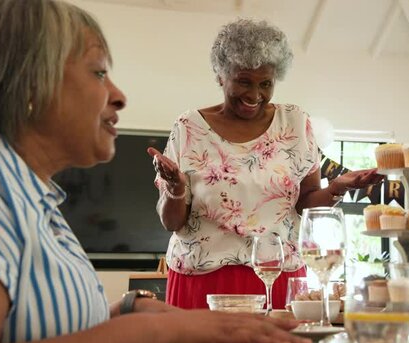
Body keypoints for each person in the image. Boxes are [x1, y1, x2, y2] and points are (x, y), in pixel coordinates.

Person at [0, 1, 313, 343]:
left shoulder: (26, 195)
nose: (119, 95)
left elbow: (31, 328)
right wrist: (156, 334)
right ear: (30, 83)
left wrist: (128, 311)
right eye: (99, 73)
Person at [148, 18, 383, 309]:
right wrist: (176, 188)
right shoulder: (188, 128)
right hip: (203, 280)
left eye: (266, 83)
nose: (254, 95)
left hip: (277, 275)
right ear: (221, 76)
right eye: (244, 81)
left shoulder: (296, 123)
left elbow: (305, 203)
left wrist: (336, 188)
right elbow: (172, 222)